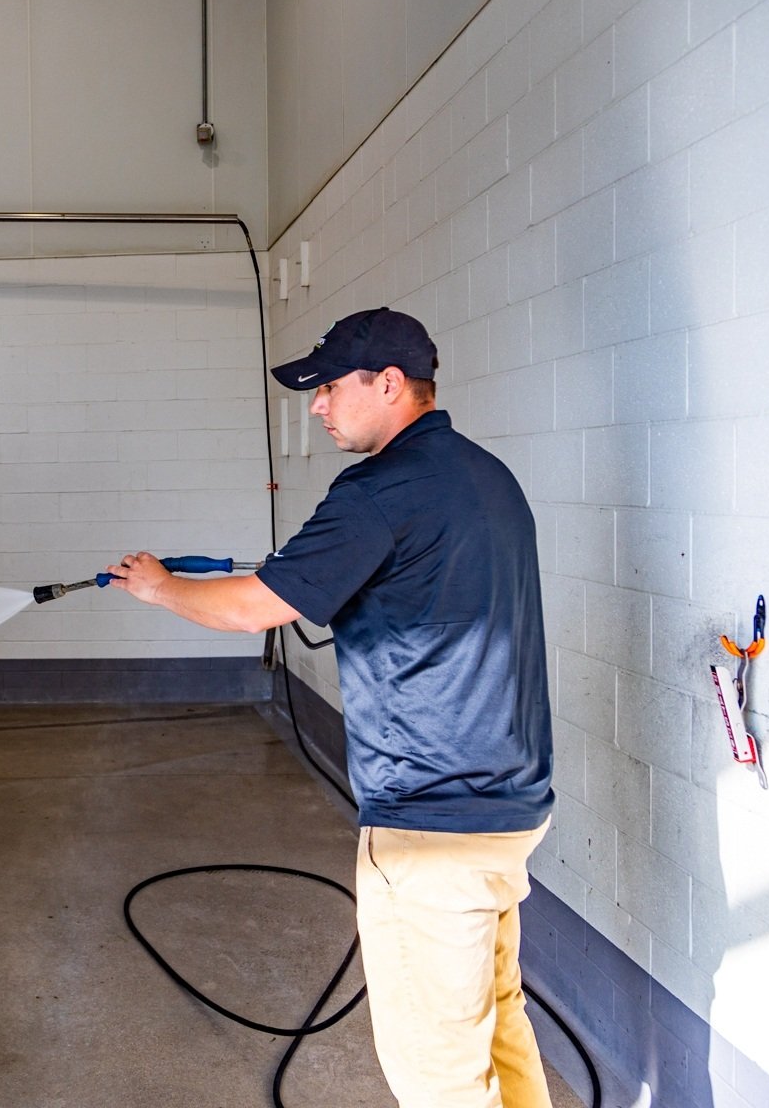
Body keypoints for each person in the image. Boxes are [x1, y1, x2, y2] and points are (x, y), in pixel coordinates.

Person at [108, 306, 555, 1108]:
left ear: (388, 384)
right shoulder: (488, 477)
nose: (316, 405)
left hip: (430, 821)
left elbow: (254, 608)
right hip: (508, 807)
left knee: (439, 1075)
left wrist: (161, 588)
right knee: (495, 1021)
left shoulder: (379, 492)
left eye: (328, 387)